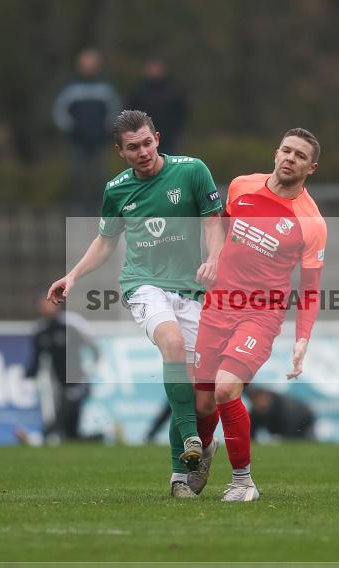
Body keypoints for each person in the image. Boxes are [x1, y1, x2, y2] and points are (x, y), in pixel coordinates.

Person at [46, 109, 225, 497]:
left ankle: (203, 445)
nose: (142, 152)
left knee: (204, 402)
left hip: (191, 290)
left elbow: (213, 220)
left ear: (157, 138)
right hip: (143, 285)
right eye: (133, 147)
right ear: (120, 151)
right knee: (172, 346)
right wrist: (73, 275)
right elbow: (106, 242)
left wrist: (213, 258)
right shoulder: (117, 189)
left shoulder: (192, 171)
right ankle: (184, 466)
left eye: (147, 143)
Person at [191, 128, 327, 502]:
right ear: (275, 153)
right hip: (218, 305)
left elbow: (311, 287)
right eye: (286, 150)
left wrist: (302, 338)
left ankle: (242, 482)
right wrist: (213, 258)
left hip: (261, 314)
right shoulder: (241, 187)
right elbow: (216, 228)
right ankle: (204, 452)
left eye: (300, 156)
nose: (290, 158)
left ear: (310, 168)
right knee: (202, 403)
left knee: (225, 389)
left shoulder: (311, 222)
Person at [19, 298, 101, 446]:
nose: (47, 307)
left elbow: (94, 348)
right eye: (43, 304)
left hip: (79, 381)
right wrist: (28, 375)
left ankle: (38, 438)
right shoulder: (40, 331)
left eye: (49, 304)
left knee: (63, 410)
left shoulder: (71, 324)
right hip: (60, 383)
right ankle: (101, 437)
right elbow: (36, 360)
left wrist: (91, 368)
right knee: (71, 433)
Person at [53, 49, 121, 216]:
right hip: (78, 140)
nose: (88, 67)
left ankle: (101, 208)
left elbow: (114, 110)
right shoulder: (71, 87)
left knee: (99, 176)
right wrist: (72, 129)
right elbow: (59, 111)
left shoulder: (105, 87)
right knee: (77, 176)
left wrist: (106, 130)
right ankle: (76, 208)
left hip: (98, 140)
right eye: (85, 64)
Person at [126, 57, 189, 156]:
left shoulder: (172, 91)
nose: (154, 71)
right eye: (151, 68)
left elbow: (182, 112)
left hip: (168, 139)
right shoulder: (138, 93)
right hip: (143, 138)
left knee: (168, 168)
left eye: (157, 68)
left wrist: (176, 130)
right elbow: (130, 113)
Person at [247, 385, 316, 440]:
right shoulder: (256, 411)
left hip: (303, 418)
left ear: (268, 398)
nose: (260, 403)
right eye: (256, 401)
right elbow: (250, 430)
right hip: (287, 422)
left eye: (262, 400)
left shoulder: (285, 409)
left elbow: (289, 432)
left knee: (301, 440)